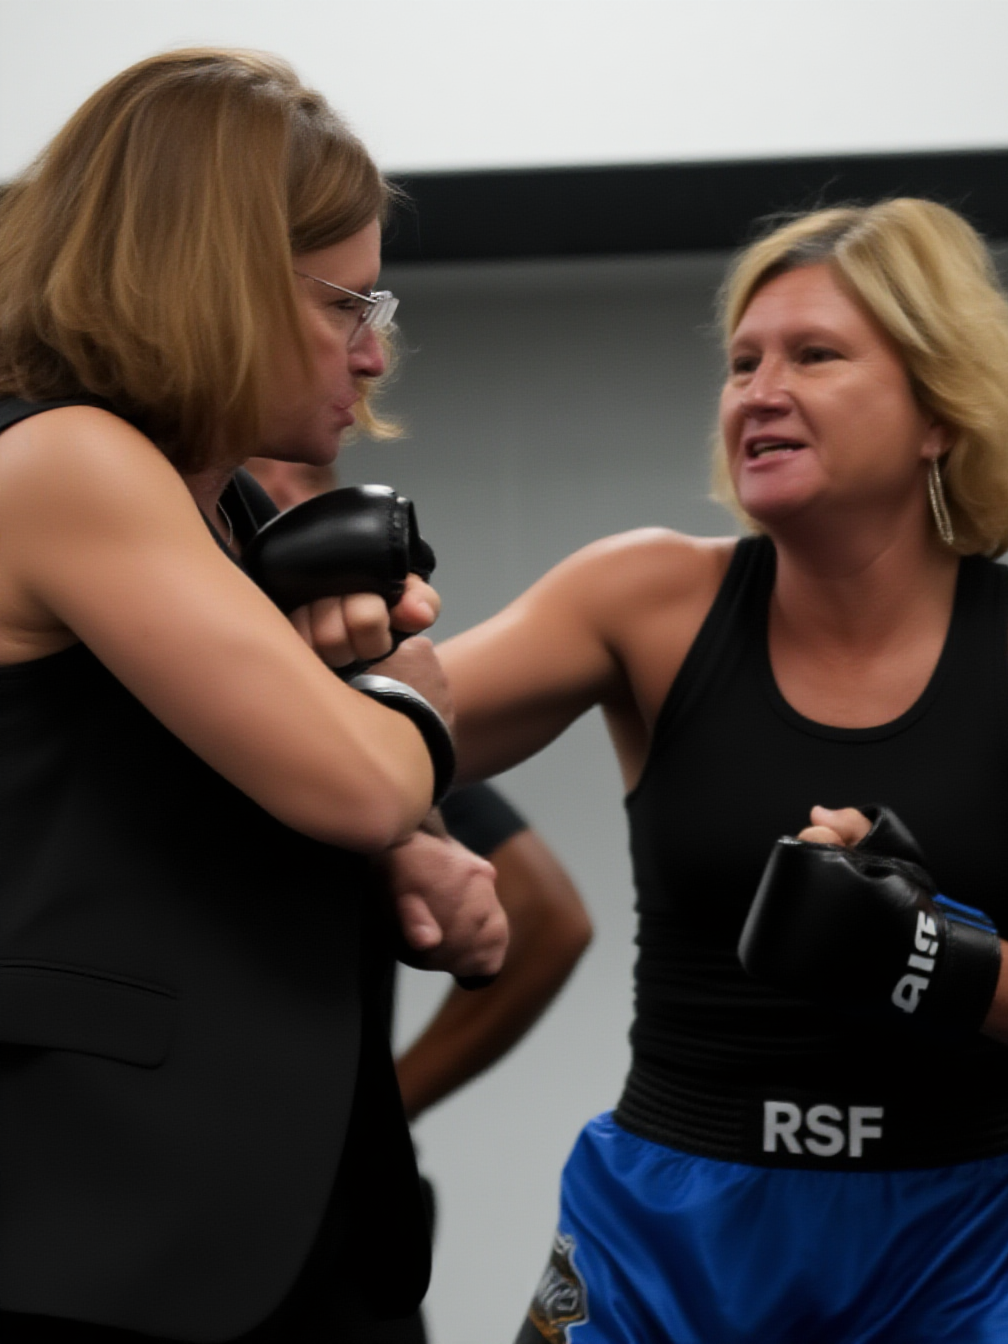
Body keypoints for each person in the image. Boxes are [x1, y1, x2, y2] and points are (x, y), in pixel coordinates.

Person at [437, 199, 1008, 1342]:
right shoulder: (640, 601)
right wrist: (307, 611)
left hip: (955, 1250)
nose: (757, 391)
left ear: (939, 408)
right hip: (665, 1232)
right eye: (741, 363)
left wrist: (927, 957)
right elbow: (359, 739)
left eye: (813, 355)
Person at [0, 48, 506, 1343]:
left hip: (285, 1226)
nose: (372, 354)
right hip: (96, 1234)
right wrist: (409, 701)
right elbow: (355, 779)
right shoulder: (65, 459)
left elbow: (208, 801)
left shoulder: (221, 505)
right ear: (215, 275)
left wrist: (405, 848)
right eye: (346, 305)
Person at [245, 454, 593, 1343]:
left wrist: (381, 1107)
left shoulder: (350, 717)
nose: (285, 504)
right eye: (258, 480)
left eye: (308, 484)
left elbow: (540, 917)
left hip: (329, 1232)